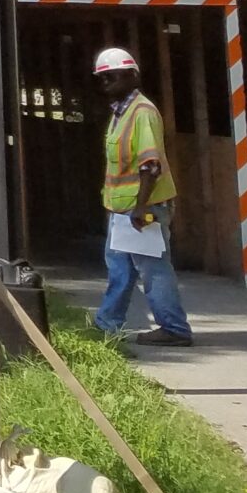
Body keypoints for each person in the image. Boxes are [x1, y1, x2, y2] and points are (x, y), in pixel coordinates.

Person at [90, 45, 194, 347]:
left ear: (132, 76)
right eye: (103, 78)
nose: (107, 83)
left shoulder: (142, 113)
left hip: (141, 210)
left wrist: (141, 206)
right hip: (122, 210)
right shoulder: (120, 113)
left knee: (153, 269)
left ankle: (174, 328)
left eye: (113, 77)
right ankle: (107, 326)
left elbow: (150, 165)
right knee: (120, 269)